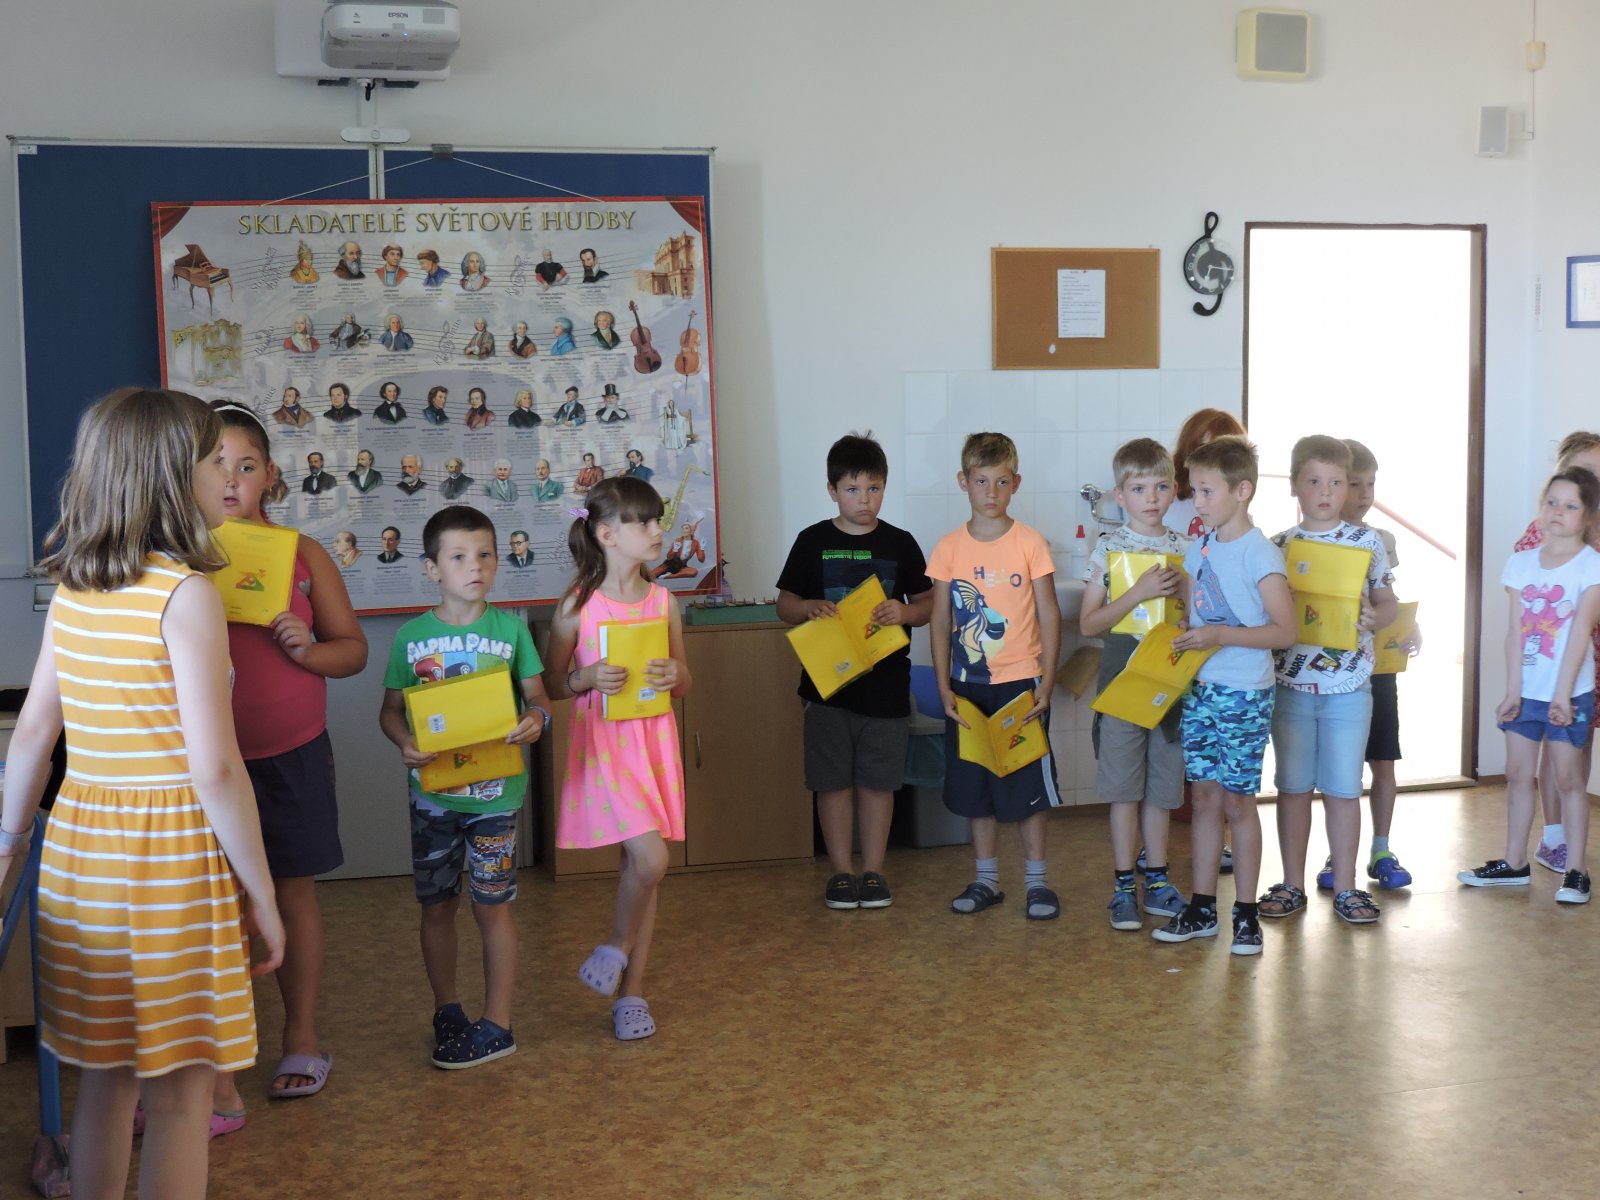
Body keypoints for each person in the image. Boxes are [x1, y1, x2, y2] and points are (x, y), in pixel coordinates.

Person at [0, 388, 284, 1197]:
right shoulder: (183, 594)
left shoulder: (76, 588)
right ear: (172, 476)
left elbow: (32, 734)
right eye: (213, 460)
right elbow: (215, 769)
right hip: (168, 863)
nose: (227, 476)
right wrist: (262, 892)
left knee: (104, 1082)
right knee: (183, 1097)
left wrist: (8, 846)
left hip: (83, 853)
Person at [207, 401, 368, 1113]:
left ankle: (301, 1034)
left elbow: (352, 650)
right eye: (215, 466)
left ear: (270, 476)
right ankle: (217, 1059)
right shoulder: (179, 560)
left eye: (246, 466)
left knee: (291, 892)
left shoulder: (303, 554)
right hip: (207, 764)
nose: (231, 480)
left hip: (291, 755)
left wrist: (308, 649)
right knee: (216, 905)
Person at [378, 506, 551, 1067]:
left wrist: (536, 720)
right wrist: (403, 741)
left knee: (492, 907)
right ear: (432, 569)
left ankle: (498, 1023)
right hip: (434, 797)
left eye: (484, 555)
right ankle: (447, 1009)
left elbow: (539, 699)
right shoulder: (411, 638)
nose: (474, 566)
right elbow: (390, 712)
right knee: (436, 906)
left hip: (496, 798)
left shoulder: (512, 630)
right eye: (458, 557)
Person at [544, 477, 691, 1040]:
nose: (657, 531)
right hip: (605, 750)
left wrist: (676, 674)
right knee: (651, 860)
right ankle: (615, 945)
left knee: (643, 872)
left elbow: (684, 678)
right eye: (645, 522)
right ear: (606, 534)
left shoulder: (664, 601)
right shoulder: (577, 606)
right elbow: (554, 683)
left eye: (658, 520)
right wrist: (585, 678)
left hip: (654, 746)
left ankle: (631, 996)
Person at [1151, 435, 1295, 956]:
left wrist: (1217, 635)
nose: (1198, 501)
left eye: (1207, 491)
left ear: (1242, 490)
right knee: (1205, 798)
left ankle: (1247, 913)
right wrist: (1184, 626)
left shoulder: (1261, 554)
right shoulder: (1202, 546)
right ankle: (1203, 906)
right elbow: (1196, 610)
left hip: (1243, 694)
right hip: (1202, 688)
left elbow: (1285, 631)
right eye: (1195, 490)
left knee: (1238, 802)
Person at [776, 433, 933, 909]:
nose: (864, 500)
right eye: (852, 489)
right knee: (833, 784)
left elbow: (927, 605)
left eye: (874, 489)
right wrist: (808, 607)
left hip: (886, 688)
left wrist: (904, 613)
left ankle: (874, 872)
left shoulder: (900, 543)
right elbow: (784, 604)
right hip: (827, 688)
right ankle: (841, 873)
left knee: (878, 784)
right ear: (832, 490)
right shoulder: (812, 541)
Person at [1255, 435, 1397, 929]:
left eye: (1336, 483)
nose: (1325, 492)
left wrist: (1376, 617)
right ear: (1294, 485)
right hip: (1289, 686)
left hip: (1349, 688)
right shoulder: (1277, 546)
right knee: (1292, 787)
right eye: (1314, 481)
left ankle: (1347, 886)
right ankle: (1291, 883)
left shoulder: (1367, 542)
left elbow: (1387, 601)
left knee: (1342, 789)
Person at [927, 432, 1063, 920]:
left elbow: (1050, 614)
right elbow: (939, 620)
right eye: (981, 481)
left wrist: (1046, 682)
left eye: (1001, 482)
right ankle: (986, 880)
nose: (991, 492)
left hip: (1021, 685)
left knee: (1027, 790)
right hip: (967, 687)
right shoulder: (948, 547)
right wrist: (943, 686)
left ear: (1016, 484)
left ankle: (1037, 884)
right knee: (976, 787)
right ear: (963, 481)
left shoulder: (1030, 543)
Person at [1460, 467, 1600, 903]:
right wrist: (1513, 691)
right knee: (1519, 775)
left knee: (1568, 780)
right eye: (1551, 502)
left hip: (1569, 694)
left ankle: (1576, 871)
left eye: (1570, 506)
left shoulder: (1591, 565)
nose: (1558, 511)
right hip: (1527, 694)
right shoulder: (1521, 564)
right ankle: (1514, 862)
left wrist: (1562, 695)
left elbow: (1580, 633)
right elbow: (1515, 633)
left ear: (1588, 516)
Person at [1077, 438, 1192, 931]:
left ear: (1174, 490)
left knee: (1162, 790)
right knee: (1124, 790)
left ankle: (1159, 880)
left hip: (1169, 684)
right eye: (1140, 488)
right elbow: (1089, 623)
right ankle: (1124, 885)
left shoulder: (1185, 549)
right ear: (1120, 495)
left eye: (1161, 487)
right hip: (1122, 686)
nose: (1152, 497)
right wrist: (1139, 592)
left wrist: (1186, 611)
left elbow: (1196, 616)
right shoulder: (1108, 548)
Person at [1317, 438, 1418, 893]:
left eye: (1370, 484)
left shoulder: (1382, 540)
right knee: (1340, 772)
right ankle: (1337, 856)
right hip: (1332, 672)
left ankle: (1381, 848)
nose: (1363, 494)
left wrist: (1410, 629)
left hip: (1378, 669)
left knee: (1383, 761)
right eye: (1353, 484)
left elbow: (1388, 599)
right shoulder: (1311, 540)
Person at [1509, 431, 1600, 875]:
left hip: (1589, 662)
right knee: (1552, 743)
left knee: (1579, 744)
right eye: (1585, 471)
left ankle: (1569, 840)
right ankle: (1553, 837)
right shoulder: (1543, 531)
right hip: (1551, 663)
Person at [1167, 408, 1246, 538]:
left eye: (1223, 454)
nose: (1211, 462)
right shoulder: (1167, 502)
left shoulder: (1237, 509)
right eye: (1203, 451)